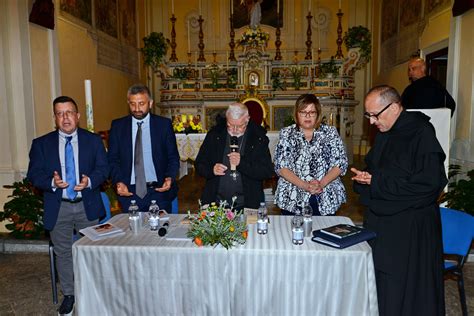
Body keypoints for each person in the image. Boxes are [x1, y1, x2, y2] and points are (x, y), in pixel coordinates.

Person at [352, 85, 447, 315]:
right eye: (369, 115)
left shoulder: (421, 132)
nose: (372, 122)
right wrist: (363, 179)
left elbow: (430, 184)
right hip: (383, 228)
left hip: (411, 230)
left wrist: (377, 182)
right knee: (383, 288)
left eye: (375, 114)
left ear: (394, 107)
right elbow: (374, 171)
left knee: (408, 291)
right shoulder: (385, 135)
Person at [27, 96, 109, 314]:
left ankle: (91, 292)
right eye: (60, 113)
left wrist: (89, 181)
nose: (65, 118)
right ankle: (70, 295)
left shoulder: (92, 141)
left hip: (87, 204)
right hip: (58, 205)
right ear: (55, 117)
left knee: (89, 251)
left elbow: (104, 168)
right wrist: (51, 182)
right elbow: (34, 174)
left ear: (78, 116)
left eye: (69, 112)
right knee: (63, 253)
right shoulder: (41, 144)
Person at [108, 84, 180, 212]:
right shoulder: (118, 126)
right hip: (129, 193)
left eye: (141, 103)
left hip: (158, 191)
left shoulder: (163, 125)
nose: (136, 109)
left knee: (159, 230)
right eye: (132, 104)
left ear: (150, 103)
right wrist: (118, 181)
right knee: (132, 231)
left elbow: (173, 157)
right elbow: (112, 159)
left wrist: (169, 177)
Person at [274, 94, 348, 215]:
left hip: (325, 194)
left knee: (325, 232)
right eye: (303, 112)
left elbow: (340, 164)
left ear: (318, 114)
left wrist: (321, 184)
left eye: (312, 112)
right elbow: (282, 167)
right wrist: (305, 186)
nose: (308, 116)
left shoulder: (330, 133)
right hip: (293, 195)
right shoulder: (287, 133)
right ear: (296, 114)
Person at [195, 103, 274, 209]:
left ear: (247, 119)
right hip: (215, 203)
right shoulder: (215, 135)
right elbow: (200, 163)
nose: (235, 129)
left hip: (248, 204)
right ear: (227, 119)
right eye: (230, 125)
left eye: (240, 126)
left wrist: (242, 163)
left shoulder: (258, 138)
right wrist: (211, 169)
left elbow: (267, 171)